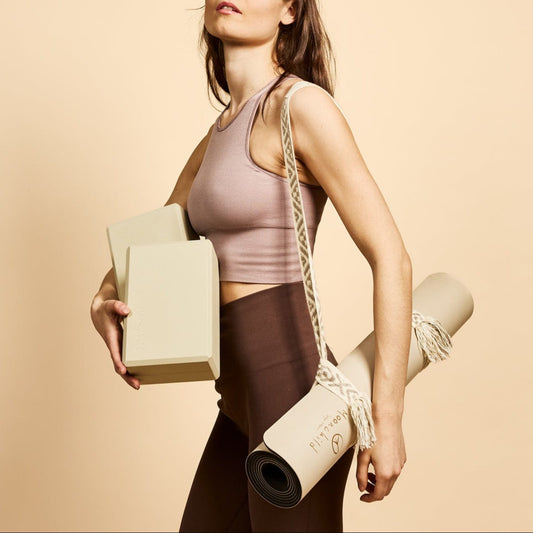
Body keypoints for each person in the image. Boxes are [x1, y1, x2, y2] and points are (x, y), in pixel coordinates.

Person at [90, 0, 412, 531]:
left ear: (289, 10)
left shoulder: (301, 107)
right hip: (238, 399)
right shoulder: (219, 133)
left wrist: (388, 420)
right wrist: (102, 299)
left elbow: (391, 258)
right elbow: (154, 244)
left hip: (295, 400)